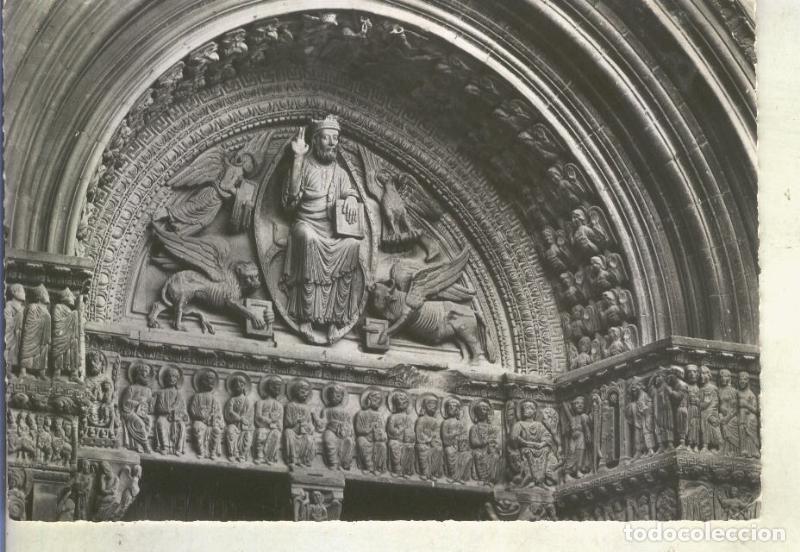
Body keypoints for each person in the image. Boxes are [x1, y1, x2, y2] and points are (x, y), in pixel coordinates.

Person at [282, 115, 363, 343]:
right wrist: (297, 158)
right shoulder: (304, 165)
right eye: (327, 138)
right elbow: (290, 201)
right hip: (306, 225)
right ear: (315, 141)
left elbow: (351, 193)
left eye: (335, 138)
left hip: (332, 232)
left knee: (353, 244)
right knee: (308, 238)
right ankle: (305, 316)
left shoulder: (340, 173)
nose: (332, 143)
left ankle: (336, 319)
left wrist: (349, 198)